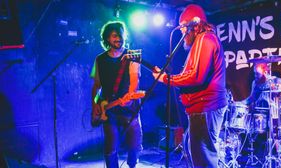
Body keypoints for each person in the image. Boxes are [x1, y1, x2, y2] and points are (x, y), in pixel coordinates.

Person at [153, 4, 228, 167]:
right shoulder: (202, 41)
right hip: (200, 109)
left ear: (193, 25)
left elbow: (196, 76)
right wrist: (168, 77)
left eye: (183, 28)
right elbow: (193, 74)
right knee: (194, 153)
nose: (181, 32)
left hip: (205, 107)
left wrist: (166, 79)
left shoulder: (205, 38)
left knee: (203, 159)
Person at [90, 21, 143, 168]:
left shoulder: (132, 55)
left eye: (121, 35)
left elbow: (134, 81)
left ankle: (132, 165)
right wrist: (94, 105)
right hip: (109, 110)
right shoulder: (99, 59)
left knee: (134, 145)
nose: (118, 38)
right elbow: (96, 86)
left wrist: (129, 96)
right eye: (114, 35)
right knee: (110, 146)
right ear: (107, 38)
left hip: (129, 107)